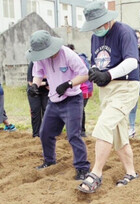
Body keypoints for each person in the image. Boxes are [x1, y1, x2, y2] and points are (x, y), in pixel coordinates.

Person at [77, 1, 140, 193]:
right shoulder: (95, 38)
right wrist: (97, 72)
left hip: (125, 87)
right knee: (118, 134)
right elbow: (95, 61)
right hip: (106, 90)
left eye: (97, 26)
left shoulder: (124, 32)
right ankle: (131, 172)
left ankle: (96, 173)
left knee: (104, 124)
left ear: (107, 21)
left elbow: (131, 61)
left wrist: (109, 74)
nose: (95, 30)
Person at [26, 30, 91, 180]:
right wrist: (35, 86)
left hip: (72, 100)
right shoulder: (40, 57)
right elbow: (38, 73)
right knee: (45, 133)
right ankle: (49, 161)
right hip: (54, 101)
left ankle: (82, 168)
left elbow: (85, 74)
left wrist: (69, 83)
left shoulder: (67, 54)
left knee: (74, 135)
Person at [66, 44, 93, 137]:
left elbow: (83, 75)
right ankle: (78, 130)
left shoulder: (78, 59)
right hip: (78, 88)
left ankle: (81, 131)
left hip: (84, 88)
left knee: (79, 110)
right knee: (78, 109)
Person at [26, 62, 49, 138]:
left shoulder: (49, 63)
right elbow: (31, 82)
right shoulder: (33, 63)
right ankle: (36, 134)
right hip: (34, 91)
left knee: (47, 111)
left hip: (46, 91)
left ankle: (46, 133)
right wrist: (46, 83)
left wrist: (47, 83)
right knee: (35, 111)